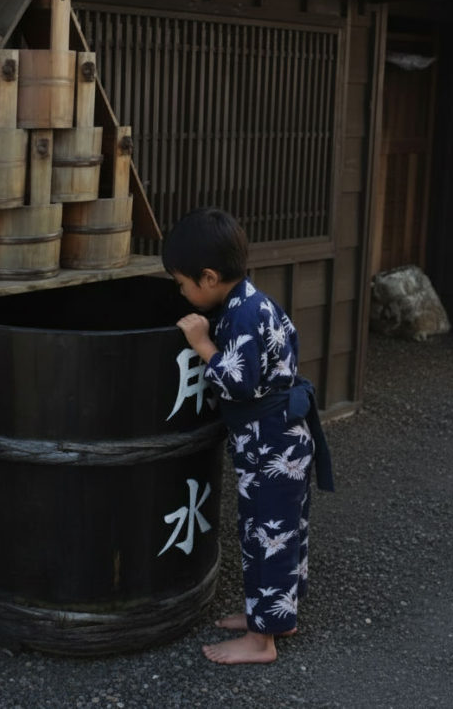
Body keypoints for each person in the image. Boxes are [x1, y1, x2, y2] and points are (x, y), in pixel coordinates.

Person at [162, 208, 334, 665]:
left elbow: (239, 382)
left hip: (270, 443)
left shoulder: (239, 317)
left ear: (209, 277)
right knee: (283, 530)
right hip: (286, 435)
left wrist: (203, 345)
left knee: (266, 534)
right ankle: (275, 617)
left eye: (182, 283)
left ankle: (263, 641)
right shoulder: (254, 300)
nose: (181, 292)